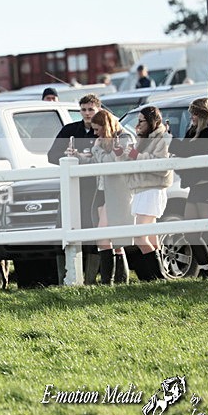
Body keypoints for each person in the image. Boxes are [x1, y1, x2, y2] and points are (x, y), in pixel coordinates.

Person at [169, 97, 208, 277]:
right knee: (191, 232)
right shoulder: (192, 130)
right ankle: (205, 269)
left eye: (194, 113)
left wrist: (170, 140)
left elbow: (188, 151)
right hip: (194, 188)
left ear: (202, 114)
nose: (191, 117)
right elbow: (183, 151)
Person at [49, 94, 101, 282]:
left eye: (90, 109)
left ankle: (90, 279)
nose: (87, 114)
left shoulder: (103, 130)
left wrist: (83, 156)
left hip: (93, 189)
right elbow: (51, 155)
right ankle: (65, 276)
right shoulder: (70, 129)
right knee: (62, 231)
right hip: (71, 188)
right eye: (83, 110)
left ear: (98, 110)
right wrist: (67, 155)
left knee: (91, 233)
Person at [119, 106, 173, 280]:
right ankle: (159, 276)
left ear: (151, 121)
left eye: (141, 121)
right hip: (141, 189)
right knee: (151, 236)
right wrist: (124, 153)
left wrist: (135, 155)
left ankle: (156, 276)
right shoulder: (143, 138)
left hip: (153, 189)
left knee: (140, 236)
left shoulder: (163, 137)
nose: (138, 124)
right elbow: (134, 161)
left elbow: (161, 165)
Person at [87, 110, 135, 284]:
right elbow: (96, 162)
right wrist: (78, 157)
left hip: (118, 191)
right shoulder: (103, 142)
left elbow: (112, 161)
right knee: (111, 238)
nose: (94, 133)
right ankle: (119, 279)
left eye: (97, 129)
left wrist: (96, 149)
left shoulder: (124, 138)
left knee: (104, 234)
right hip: (101, 190)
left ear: (105, 127)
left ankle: (107, 280)